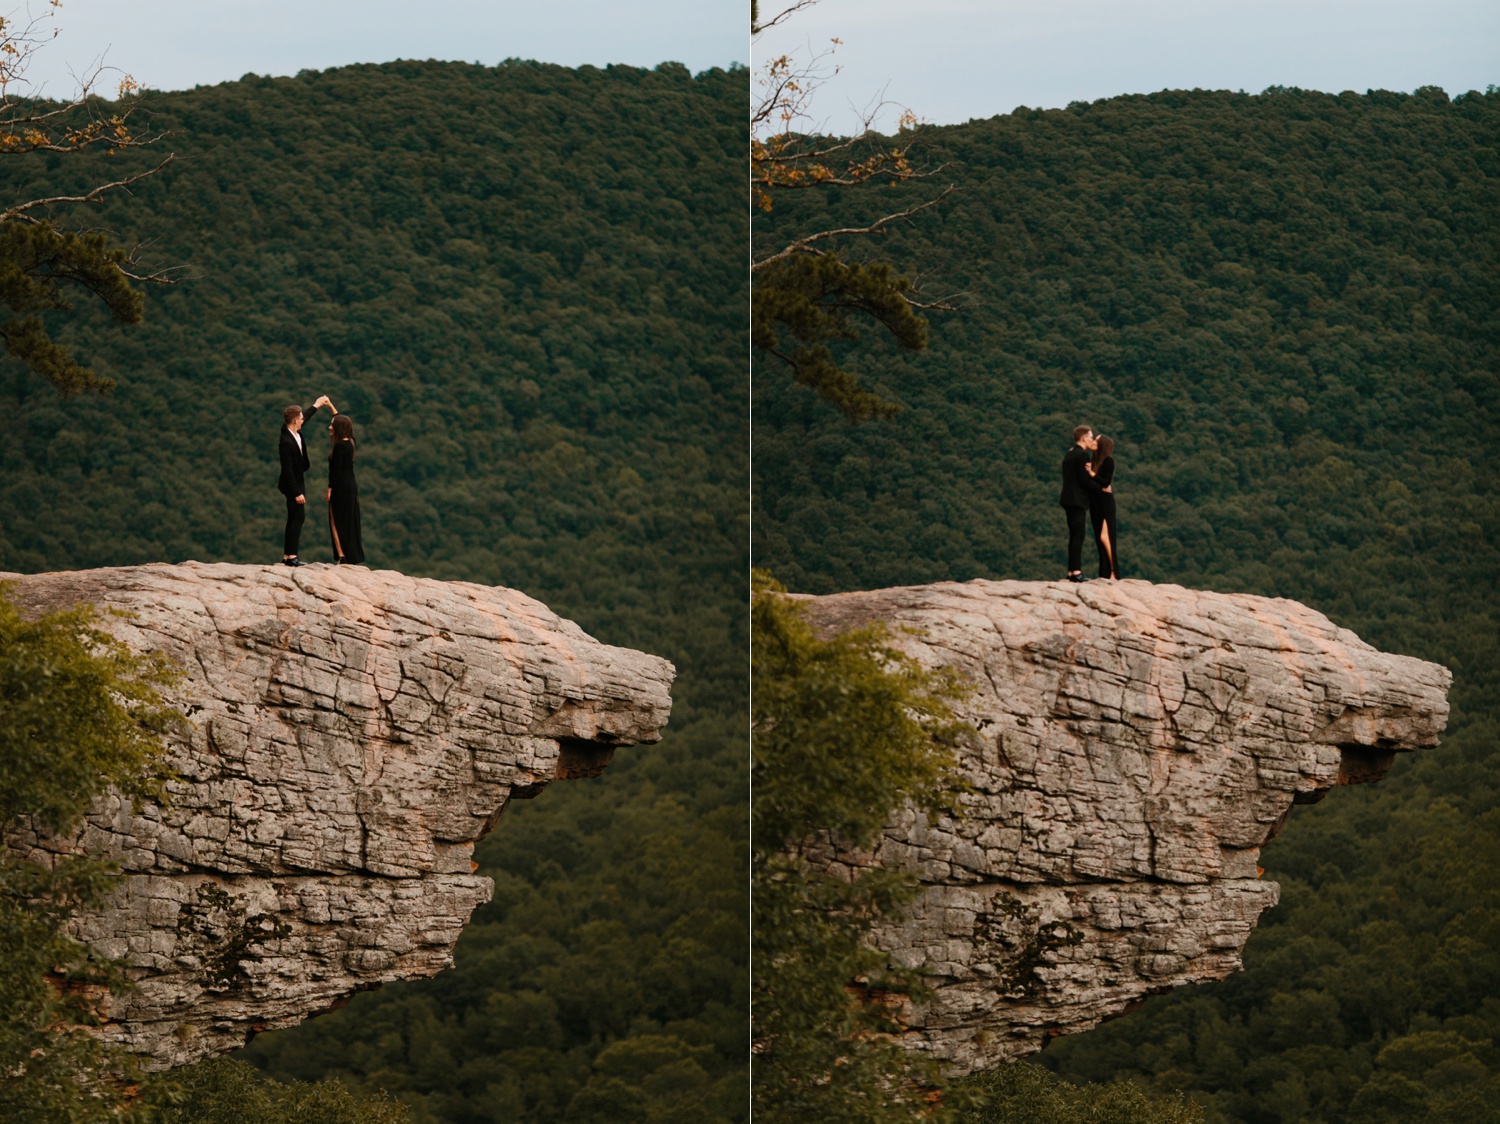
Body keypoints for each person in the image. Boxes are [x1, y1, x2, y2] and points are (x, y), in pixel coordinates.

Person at [277, 395, 331, 566]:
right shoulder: (286, 441)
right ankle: (292, 557)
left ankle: (288, 555)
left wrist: (317, 405)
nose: (303, 420)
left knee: (295, 517)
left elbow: (305, 416)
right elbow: (287, 471)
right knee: (297, 517)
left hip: (297, 480)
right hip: (292, 484)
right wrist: (297, 493)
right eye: (300, 419)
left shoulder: (293, 431)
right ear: (294, 420)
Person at [1059, 424, 1105, 583]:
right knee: (1078, 535)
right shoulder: (1082, 456)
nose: (1092, 440)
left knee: (1074, 535)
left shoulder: (1070, 453)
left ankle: (1072, 571)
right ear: (1084, 438)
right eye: (1091, 437)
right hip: (1077, 500)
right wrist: (1101, 488)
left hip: (1067, 498)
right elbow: (1084, 481)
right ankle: (1076, 572)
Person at [325, 413, 364, 565]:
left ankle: (342, 555)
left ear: (339, 428)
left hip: (340, 487)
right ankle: (352, 555)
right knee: (350, 520)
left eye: (332, 424)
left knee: (336, 519)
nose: (329, 427)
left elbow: (335, 471)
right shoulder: (351, 442)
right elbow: (345, 421)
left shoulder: (340, 446)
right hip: (351, 486)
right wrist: (332, 408)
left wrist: (329, 489)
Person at [1087, 434, 1119, 580]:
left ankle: (1113, 572)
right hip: (1095, 503)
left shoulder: (1108, 461)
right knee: (1099, 539)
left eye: (1096, 440)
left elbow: (1106, 482)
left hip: (1106, 503)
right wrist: (1097, 485)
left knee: (1106, 537)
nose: (1094, 442)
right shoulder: (1093, 461)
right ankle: (1104, 573)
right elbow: (1095, 486)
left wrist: (1092, 474)